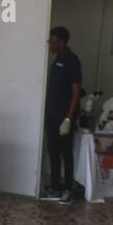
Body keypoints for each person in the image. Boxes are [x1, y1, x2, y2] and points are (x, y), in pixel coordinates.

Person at [42, 27, 82, 203]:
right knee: (53, 151)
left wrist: (68, 118)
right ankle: (55, 187)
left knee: (66, 152)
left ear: (62, 42)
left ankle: (68, 188)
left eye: (53, 41)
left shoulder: (72, 61)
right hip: (51, 116)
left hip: (64, 117)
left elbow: (76, 92)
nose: (50, 44)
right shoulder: (56, 60)